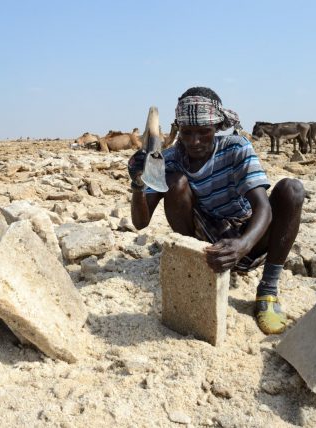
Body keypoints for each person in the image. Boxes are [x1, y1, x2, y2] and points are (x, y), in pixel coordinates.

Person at [128, 87, 305, 335]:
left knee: (292, 190)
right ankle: (195, 269)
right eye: (187, 133)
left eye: (204, 132)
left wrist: (243, 244)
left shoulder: (236, 148)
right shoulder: (168, 159)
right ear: (178, 130)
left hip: (251, 236)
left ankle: (267, 290)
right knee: (176, 182)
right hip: (206, 242)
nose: (194, 141)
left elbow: (262, 207)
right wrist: (138, 184)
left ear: (217, 128)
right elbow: (140, 223)